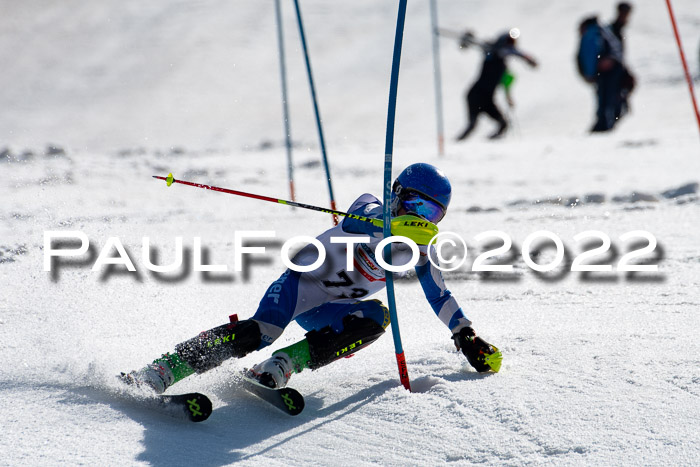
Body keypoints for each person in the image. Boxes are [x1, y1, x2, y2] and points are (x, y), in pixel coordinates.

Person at [121, 163, 502, 394]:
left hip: (334, 308)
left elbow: (439, 296)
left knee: (375, 319)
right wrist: (387, 226)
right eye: (418, 205)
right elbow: (356, 218)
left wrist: (464, 335)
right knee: (262, 331)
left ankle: (282, 365)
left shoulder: (421, 252)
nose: (424, 218)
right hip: (300, 286)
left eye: (434, 213)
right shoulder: (371, 208)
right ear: (397, 195)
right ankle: (162, 369)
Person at [456, 29, 537, 141]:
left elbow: (506, 81)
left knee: (503, 125)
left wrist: (508, 97)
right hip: (476, 95)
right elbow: (508, 51)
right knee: (472, 125)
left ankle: (487, 145)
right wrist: (470, 40)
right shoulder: (491, 54)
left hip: (487, 99)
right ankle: (456, 145)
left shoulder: (500, 62)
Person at [578, 3, 634, 132]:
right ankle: (604, 127)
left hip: (606, 71)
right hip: (611, 71)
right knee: (609, 100)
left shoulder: (606, 31)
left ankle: (603, 126)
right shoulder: (609, 30)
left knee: (606, 100)